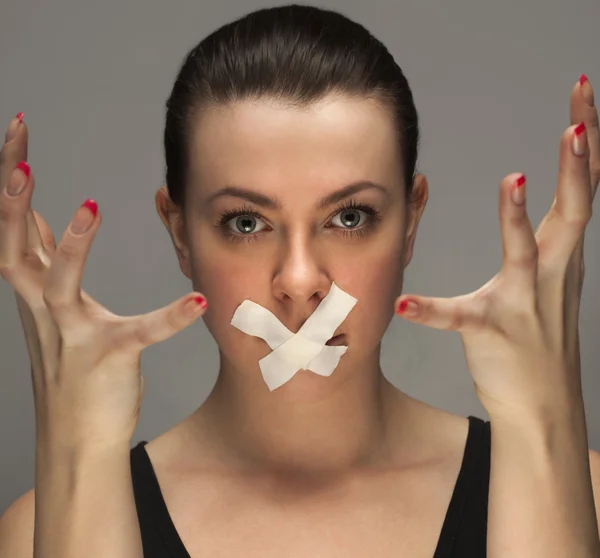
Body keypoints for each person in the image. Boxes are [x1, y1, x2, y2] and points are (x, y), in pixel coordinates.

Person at [0, 4, 599, 557]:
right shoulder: (44, 527)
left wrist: (542, 425)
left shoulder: (582, 495)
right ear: (180, 232)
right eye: (245, 222)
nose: (299, 281)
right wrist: (77, 456)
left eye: (349, 217)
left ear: (410, 221)